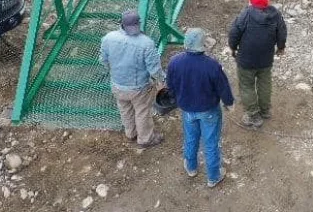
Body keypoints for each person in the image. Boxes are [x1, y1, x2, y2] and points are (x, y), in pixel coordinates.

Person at [166, 28, 235, 188]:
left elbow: (170, 86)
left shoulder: (174, 62)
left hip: (187, 109)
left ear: (186, 44)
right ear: (203, 45)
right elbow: (223, 88)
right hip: (209, 110)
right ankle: (213, 177)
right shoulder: (212, 66)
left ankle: (191, 168)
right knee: (210, 143)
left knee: (191, 138)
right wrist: (229, 103)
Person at [99, 10, 165, 148]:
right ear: (139, 24)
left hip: (117, 85)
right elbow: (154, 70)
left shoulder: (108, 38)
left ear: (121, 23)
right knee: (142, 112)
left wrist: (114, 73)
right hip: (139, 88)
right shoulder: (146, 43)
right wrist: (162, 81)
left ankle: (131, 133)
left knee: (125, 109)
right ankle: (145, 139)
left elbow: (104, 60)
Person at [228, 0, 287, 128]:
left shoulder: (246, 14)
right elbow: (282, 33)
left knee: (247, 86)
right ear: (267, 0)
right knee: (264, 83)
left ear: (251, 0)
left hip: (246, 60)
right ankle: (265, 110)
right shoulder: (275, 15)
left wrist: (233, 48)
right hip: (266, 59)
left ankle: (253, 115)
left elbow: (234, 33)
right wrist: (280, 48)